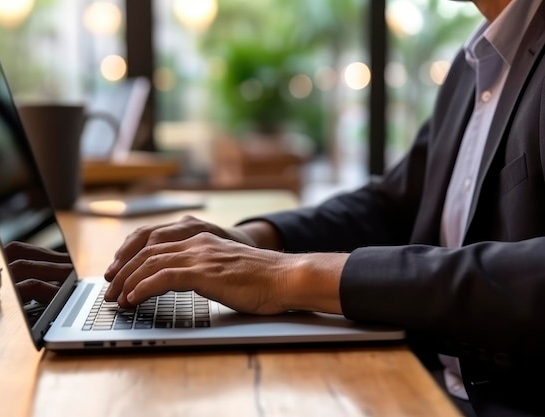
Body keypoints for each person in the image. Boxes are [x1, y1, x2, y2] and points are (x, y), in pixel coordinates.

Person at [104, 0, 545, 415]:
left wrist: (287, 276)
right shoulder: (475, 65)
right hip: (432, 381)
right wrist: (250, 240)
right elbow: (390, 204)